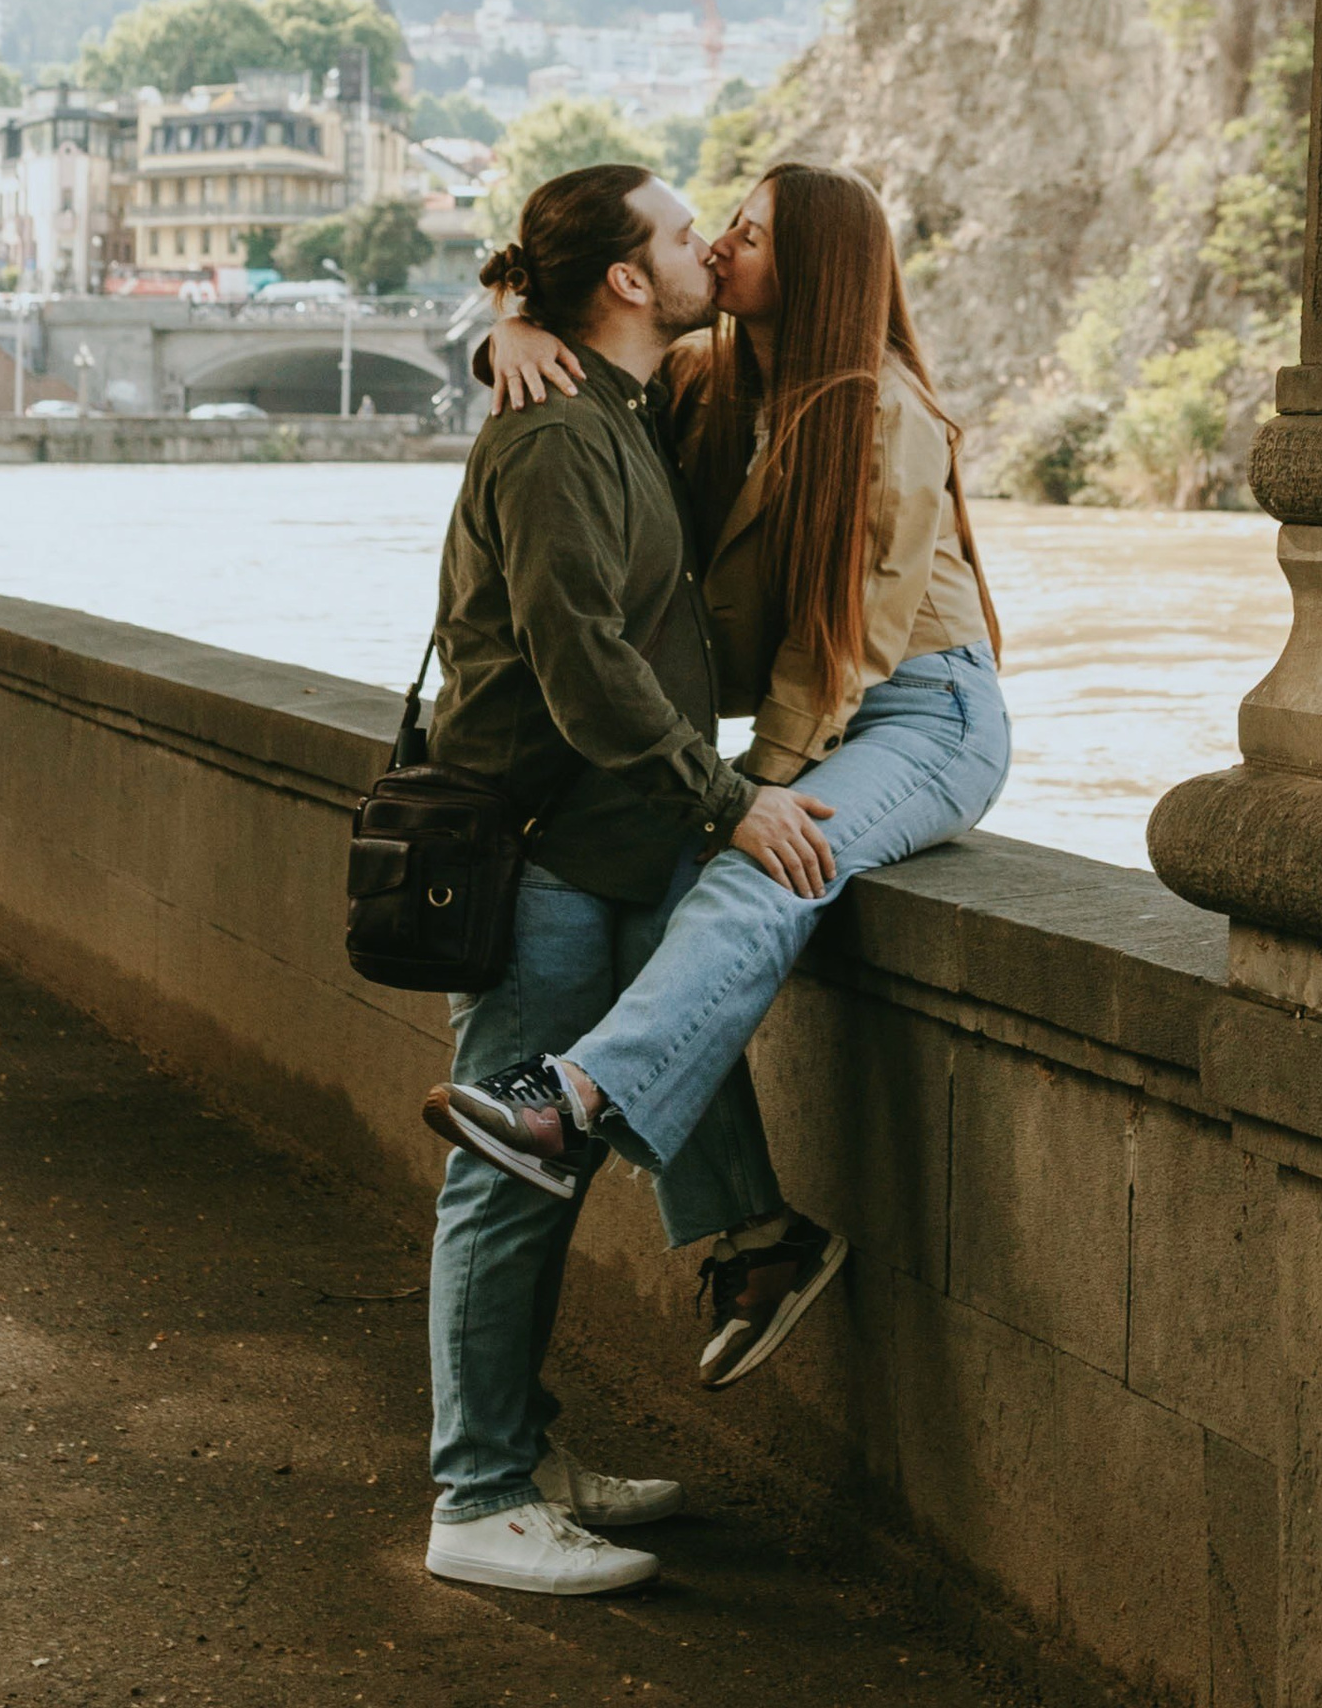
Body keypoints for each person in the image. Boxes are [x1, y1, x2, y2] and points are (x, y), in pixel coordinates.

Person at [427, 160, 1012, 1387]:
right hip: (819, 715)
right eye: (716, 227)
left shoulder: (882, 411)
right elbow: (592, 351)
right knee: (671, 889)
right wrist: (510, 325)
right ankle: (752, 1235)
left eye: (747, 230)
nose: (726, 241)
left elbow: (835, 648)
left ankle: (573, 1096)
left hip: (921, 710)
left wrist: (749, 798)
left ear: (814, 269)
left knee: (752, 878)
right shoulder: (705, 381)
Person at [417, 161, 838, 1599]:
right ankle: (474, 1499)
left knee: (552, 1154)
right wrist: (730, 806)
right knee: (505, 1177)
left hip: (597, 847)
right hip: (543, 850)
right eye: (678, 233)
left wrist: (497, 315)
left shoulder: (615, 399)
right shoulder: (551, 436)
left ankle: (522, 1461)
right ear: (624, 282)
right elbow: (579, 658)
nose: (704, 245)